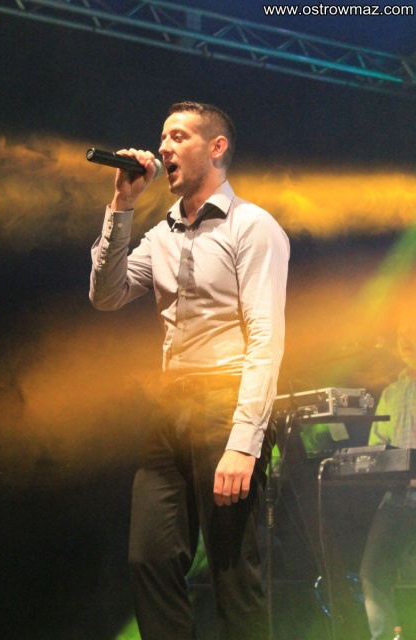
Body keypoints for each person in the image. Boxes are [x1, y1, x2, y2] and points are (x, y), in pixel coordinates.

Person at [89, 101, 289, 640]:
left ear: (216, 147)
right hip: (170, 407)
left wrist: (244, 441)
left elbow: (266, 337)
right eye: (162, 137)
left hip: (228, 401)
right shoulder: (161, 235)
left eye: (179, 136)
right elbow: (106, 295)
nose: (163, 147)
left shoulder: (253, 226)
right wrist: (122, 205)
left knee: (233, 572)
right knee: (149, 559)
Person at [360, 315, 416, 640]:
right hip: (397, 498)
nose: (405, 340)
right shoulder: (391, 392)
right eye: (400, 335)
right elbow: (376, 448)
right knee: (372, 571)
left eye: (412, 333)